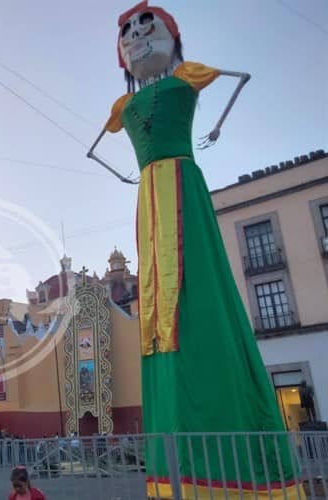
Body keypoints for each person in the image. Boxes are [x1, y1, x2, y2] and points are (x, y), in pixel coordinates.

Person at [85, 2, 297, 497]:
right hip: (149, 191)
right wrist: (123, 172)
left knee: (187, 289)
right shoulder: (124, 106)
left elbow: (239, 77)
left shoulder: (187, 78)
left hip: (180, 179)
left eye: (147, 26)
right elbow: (95, 146)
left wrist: (217, 127)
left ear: (173, 38)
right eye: (128, 33)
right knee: (159, 308)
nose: (137, 36)